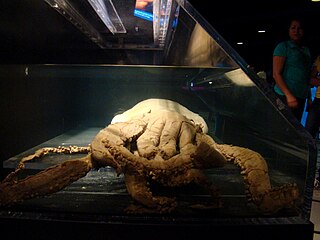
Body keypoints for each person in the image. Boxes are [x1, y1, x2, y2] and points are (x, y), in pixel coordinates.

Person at [272, 18, 313, 122]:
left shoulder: (305, 50)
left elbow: (305, 75)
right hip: (285, 95)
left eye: (299, 28)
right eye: (293, 28)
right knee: (283, 127)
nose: (296, 31)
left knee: (295, 127)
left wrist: (308, 96)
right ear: (288, 30)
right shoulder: (283, 47)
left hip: (300, 95)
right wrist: (288, 95)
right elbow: (276, 74)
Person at [305, 55, 320, 189]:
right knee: (308, 136)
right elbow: (311, 79)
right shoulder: (319, 59)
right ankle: (306, 173)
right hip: (318, 101)